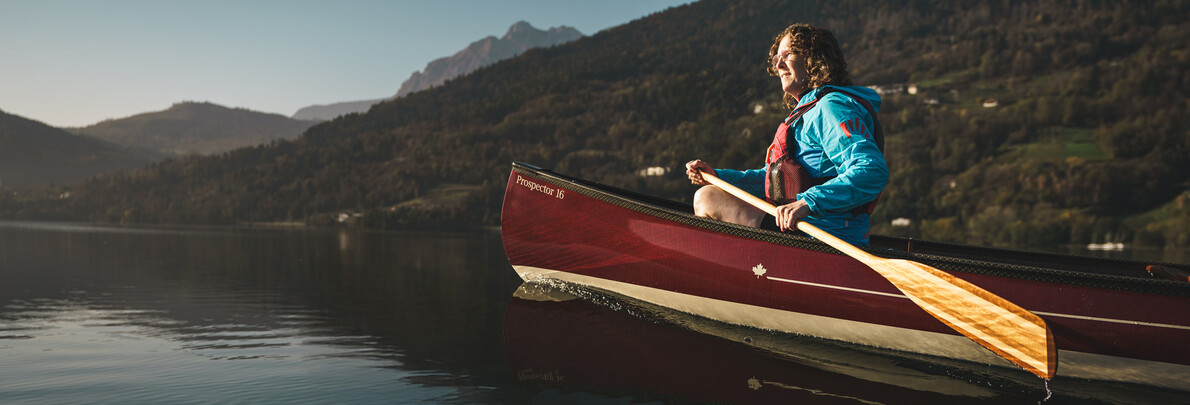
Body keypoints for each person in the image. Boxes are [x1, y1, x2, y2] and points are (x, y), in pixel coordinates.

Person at [685, 23, 888, 246]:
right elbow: (772, 182)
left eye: (788, 54)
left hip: (824, 236)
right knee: (712, 190)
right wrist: (718, 177)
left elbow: (871, 170)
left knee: (707, 198)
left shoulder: (831, 107)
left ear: (813, 59)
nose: (778, 64)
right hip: (799, 229)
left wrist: (808, 202)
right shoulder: (807, 112)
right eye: (776, 58)